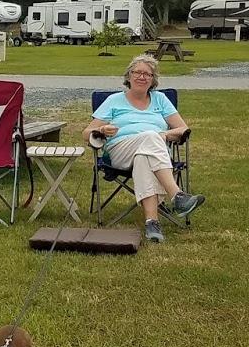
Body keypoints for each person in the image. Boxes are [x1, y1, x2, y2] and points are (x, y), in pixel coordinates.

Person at [82, 53, 204, 244]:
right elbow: (86, 133)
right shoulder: (114, 100)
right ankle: (177, 196)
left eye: (147, 74)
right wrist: (102, 129)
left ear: (153, 80)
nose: (142, 76)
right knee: (150, 136)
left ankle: (152, 223)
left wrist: (164, 135)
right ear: (128, 76)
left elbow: (182, 129)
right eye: (137, 72)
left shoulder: (160, 99)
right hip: (120, 151)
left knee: (144, 158)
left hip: (153, 154)